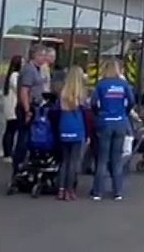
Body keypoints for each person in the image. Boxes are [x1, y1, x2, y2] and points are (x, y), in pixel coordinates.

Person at [90, 59, 137, 200]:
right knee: (116, 158)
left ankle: (98, 192)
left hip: (105, 122)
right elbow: (132, 101)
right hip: (120, 122)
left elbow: (93, 102)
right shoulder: (123, 84)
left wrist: (98, 113)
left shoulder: (101, 84)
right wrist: (124, 112)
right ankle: (117, 191)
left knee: (102, 159)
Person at [12, 45, 51, 175]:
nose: (45, 58)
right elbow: (24, 91)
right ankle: (18, 167)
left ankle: (26, 165)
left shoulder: (37, 69)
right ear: (36, 55)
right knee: (24, 138)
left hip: (35, 106)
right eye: (43, 55)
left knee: (30, 137)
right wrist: (27, 110)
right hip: (28, 107)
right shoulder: (29, 70)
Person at [56, 66, 88, 200]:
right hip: (76, 127)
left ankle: (61, 189)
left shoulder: (63, 93)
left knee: (64, 161)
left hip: (64, 126)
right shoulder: (81, 94)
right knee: (73, 162)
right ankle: (70, 190)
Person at [0, 56, 22, 160]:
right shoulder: (15, 75)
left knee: (10, 129)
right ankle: (7, 152)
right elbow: (18, 88)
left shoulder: (12, 75)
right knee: (11, 130)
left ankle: (8, 151)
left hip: (10, 106)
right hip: (13, 106)